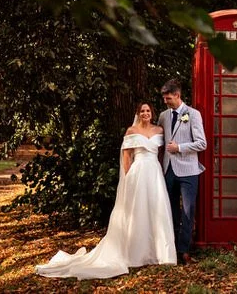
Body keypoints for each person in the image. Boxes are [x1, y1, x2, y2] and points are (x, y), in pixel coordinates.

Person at [35, 102, 176, 279]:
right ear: (138, 113)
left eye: (148, 110)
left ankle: (160, 252)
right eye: (142, 111)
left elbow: (162, 153)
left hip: (154, 173)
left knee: (156, 210)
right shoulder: (131, 131)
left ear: (152, 113)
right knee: (138, 210)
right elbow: (126, 157)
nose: (145, 113)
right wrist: (128, 179)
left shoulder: (159, 131)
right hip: (138, 173)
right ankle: (137, 253)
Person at [158, 79, 207, 265]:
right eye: (164, 98)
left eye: (168, 98)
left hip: (188, 170)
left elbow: (202, 143)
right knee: (170, 211)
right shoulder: (163, 116)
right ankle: (170, 250)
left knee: (188, 210)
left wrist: (179, 147)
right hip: (168, 169)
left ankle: (184, 250)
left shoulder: (193, 114)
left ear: (177, 95)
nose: (165, 101)